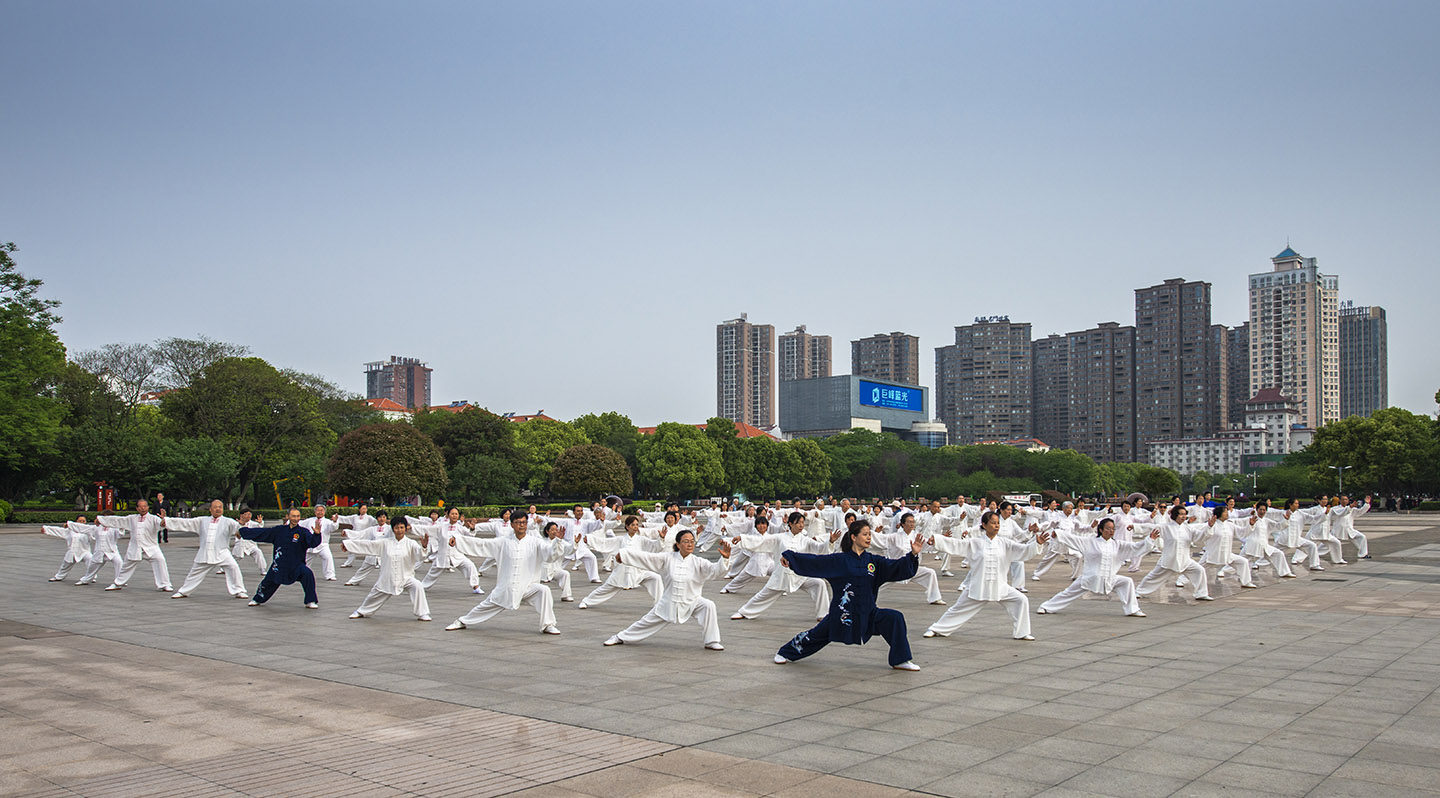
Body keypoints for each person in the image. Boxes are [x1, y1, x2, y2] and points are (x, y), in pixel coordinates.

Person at [773, 519, 924, 672]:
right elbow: (815, 561)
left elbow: (896, 566)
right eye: (865, 534)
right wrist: (790, 557)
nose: (868, 538)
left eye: (869, 534)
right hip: (842, 614)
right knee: (814, 636)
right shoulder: (839, 560)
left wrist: (912, 555)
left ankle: (900, 660)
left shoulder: (874, 562)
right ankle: (785, 652)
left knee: (894, 618)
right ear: (853, 537)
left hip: (868, 613)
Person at [925, 511, 1048, 641]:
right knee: (958, 609)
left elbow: (1023, 550)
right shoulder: (975, 543)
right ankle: (935, 629)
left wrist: (1037, 544)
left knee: (1020, 600)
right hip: (979, 586)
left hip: (1000, 585)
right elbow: (956, 545)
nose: (996, 526)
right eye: (993, 523)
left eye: (998, 523)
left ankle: (1022, 633)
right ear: (984, 525)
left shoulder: (1005, 543)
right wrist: (937, 540)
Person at [602, 530, 731, 650]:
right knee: (645, 622)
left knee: (708, 606)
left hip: (692, 600)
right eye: (686, 541)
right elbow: (647, 557)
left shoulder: (699, 562)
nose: (690, 544)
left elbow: (715, 571)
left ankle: (712, 641)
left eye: (692, 541)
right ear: (678, 545)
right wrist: (624, 555)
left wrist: (724, 559)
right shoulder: (667, 558)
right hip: (669, 602)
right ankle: (620, 637)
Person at [444, 515, 571, 635]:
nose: (521, 525)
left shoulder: (535, 542)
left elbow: (550, 554)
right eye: (518, 522)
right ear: (512, 525)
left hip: (528, 586)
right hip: (507, 587)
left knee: (543, 590)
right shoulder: (503, 542)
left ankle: (548, 624)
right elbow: (482, 544)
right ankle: (462, 621)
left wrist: (558, 541)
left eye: (524, 522)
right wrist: (458, 540)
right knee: (486, 606)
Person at [1036, 518, 1156, 617]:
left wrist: (1149, 539)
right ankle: (1046, 606)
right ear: (1101, 529)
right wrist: (1058, 533)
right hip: (1090, 577)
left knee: (1127, 582)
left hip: (1110, 578)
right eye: (1108, 528)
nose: (1111, 531)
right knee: (1068, 593)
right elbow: (1074, 539)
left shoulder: (1117, 544)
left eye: (1113, 529)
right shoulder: (1090, 541)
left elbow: (1135, 547)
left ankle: (1133, 609)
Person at [729, 512, 837, 621]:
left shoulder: (805, 540)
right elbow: (762, 541)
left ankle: (823, 615)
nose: (801, 525)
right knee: (764, 595)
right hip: (782, 574)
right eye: (798, 523)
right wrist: (742, 538)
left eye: (802, 523)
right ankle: (744, 612)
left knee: (819, 583)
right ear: (790, 524)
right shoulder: (780, 538)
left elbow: (819, 549)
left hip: (800, 574)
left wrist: (830, 542)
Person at [341, 517, 432, 621]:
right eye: (397, 528)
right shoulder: (385, 543)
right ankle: (361, 611)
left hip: (406, 577)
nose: (399, 530)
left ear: (405, 529)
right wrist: (348, 544)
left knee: (417, 586)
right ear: (393, 529)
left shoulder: (411, 543)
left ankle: (423, 613)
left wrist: (424, 547)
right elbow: (368, 545)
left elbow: (420, 555)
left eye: (402, 527)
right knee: (374, 595)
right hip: (387, 577)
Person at [163, 499, 249, 600]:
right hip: (205, 552)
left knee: (234, 568)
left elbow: (238, 531)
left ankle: (239, 591)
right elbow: (186, 523)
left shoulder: (228, 521)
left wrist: (242, 524)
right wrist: (167, 521)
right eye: (215, 507)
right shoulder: (202, 520)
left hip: (222, 553)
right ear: (210, 509)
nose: (218, 509)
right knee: (194, 573)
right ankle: (183, 591)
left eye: (220, 507)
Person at [240, 508, 322, 608]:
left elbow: (312, 543)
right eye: (293, 516)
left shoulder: (303, 532)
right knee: (267, 583)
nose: (296, 519)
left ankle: (310, 601)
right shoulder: (279, 530)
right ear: (288, 517)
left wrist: (317, 534)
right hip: (279, 564)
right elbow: (262, 533)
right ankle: (257, 599)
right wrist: (243, 531)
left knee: (307, 574)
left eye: (298, 516)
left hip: (296, 565)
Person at [1133, 506, 1216, 602]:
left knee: (1199, 570)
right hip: (1169, 559)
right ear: (1175, 515)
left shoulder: (1187, 529)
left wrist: (1209, 527)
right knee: (1154, 577)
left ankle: (1201, 594)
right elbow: (1149, 528)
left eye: (1185, 514)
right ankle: (1138, 591)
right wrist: (1135, 527)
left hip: (1185, 560)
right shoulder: (1166, 527)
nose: (1183, 516)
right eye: (1181, 514)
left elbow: (1200, 536)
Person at [579, 516, 664, 608]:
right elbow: (605, 543)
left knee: (656, 578)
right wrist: (590, 539)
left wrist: (661, 539)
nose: (635, 527)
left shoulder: (641, 540)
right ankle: (586, 601)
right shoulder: (620, 539)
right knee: (605, 589)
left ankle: (660, 604)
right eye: (633, 525)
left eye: (636, 525)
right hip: (621, 572)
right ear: (627, 527)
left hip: (638, 571)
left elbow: (654, 546)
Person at [99, 499, 172, 592]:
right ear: (137, 508)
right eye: (141, 506)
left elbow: (161, 525)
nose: (143, 508)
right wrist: (101, 520)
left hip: (151, 547)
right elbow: (118, 520)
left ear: (148, 507)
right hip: (135, 546)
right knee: (127, 565)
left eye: (145, 506)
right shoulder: (132, 518)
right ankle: (118, 583)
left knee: (160, 560)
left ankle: (165, 584)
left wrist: (163, 519)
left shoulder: (153, 518)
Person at [408, 508, 484, 595]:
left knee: (470, 566)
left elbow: (470, 535)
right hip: (443, 556)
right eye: (452, 514)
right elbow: (427, 529)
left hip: (457, 555)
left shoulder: (461, 528)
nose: (454, 516)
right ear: (448, 515)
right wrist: (412, 528)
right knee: (432, 575)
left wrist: (472, 529)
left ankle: (476, 587)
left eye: (456, 514)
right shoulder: (441, 527)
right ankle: (420, 588)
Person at [42, 517, 94, 582]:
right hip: (72, 551)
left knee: (91, 561)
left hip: (84, 552)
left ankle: (92, 577)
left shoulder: (88, 530)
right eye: (80, 521)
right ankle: (59, 576)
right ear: (76, 521)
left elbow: (96, 532)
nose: (82, 522)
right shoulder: (70, 531)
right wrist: (46, 529)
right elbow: (59, 530)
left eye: (83, 521)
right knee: (65, 566)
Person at [302, 505, 339, 581]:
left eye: (321, 510)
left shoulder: (328, 522)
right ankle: (301, 574)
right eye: (318, 510)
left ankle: (330, 575)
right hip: (310, 545)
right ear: (315, 512)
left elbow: (333, 527)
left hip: (323, 545)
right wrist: (288, 522)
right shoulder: (309, 520)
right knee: (304, 561)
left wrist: (335, 521)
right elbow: (300, 523)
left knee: (328, 558)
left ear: (324, 512)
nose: (320, 512)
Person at [335, 503, 377, 568]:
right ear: (359, 509)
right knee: (352, 548)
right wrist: (338, 517)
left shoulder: (369, 518)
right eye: (363, 509)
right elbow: (346, 519)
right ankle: (348, 563)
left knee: (369, 550)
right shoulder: (355, 517)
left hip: (365, 535)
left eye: (365, 509)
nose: (364, 510)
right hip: (355, 535)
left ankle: (374, 563)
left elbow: (376, 522)